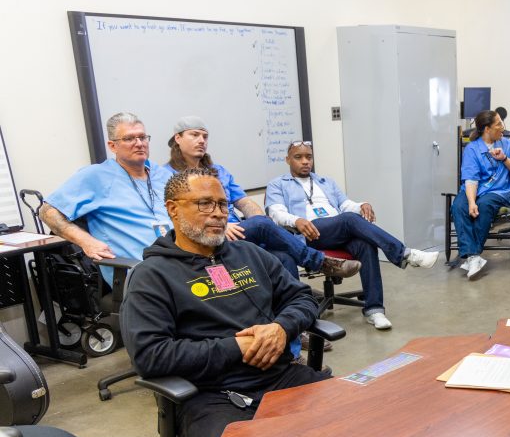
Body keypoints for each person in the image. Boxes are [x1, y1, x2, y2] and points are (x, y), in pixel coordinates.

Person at [121, 167, 391, 437]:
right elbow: (152, 357)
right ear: (173, 210)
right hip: (208, 396)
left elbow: (302, 299)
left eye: (221, 204)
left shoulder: (247, 254)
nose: (215, 214)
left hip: (279, 376)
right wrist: (235, 348)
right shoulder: (153, 277)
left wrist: (280, 331)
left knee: (355, 421)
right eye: (203, 204)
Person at [158, 117, 360, 283]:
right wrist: (223, 224)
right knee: (264, 227)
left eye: (205, 136)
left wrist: (257, 220)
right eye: (195, 135)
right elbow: (176, 216)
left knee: (283, 257)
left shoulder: (218, 171)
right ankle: (319, 262)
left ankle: (297, 319)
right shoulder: (166, 176)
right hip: (208, 235)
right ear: (177, 138)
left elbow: (244, 202)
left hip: (240, 232)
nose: (202, 140)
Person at [265, 142, 439, 330]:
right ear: (288, 160)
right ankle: (404, 254)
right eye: (299, 157)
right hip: (308, 234)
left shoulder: (325, 182)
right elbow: (276, 213)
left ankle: (374, 309)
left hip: (336, 229)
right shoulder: (278, 185)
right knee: (348, 220)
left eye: (309, 157)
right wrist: (296, 221)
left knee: (365, 244)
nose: (305, 161)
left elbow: (345, 204)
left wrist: (361, 205)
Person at [40, 112, 173, 285]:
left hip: (180, 264)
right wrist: (86, 241)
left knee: (218, 285)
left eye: (142, 137)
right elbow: (48, 212)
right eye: (129, 139)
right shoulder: (96, 176)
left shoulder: (162, 174)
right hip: (139, 273)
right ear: (112, 146)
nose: (139, 144)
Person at [452, 110, 510, 279]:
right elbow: (471, 179)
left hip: (498, 191)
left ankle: (472, 254)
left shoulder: (506, 144)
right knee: (459, 206)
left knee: (484, 205)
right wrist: (471, 201)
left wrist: (505, 159)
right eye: (498, 124)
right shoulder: (472, 149)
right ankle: (474, 257)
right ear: (487, 129)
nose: (503, 127)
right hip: (473, 189)